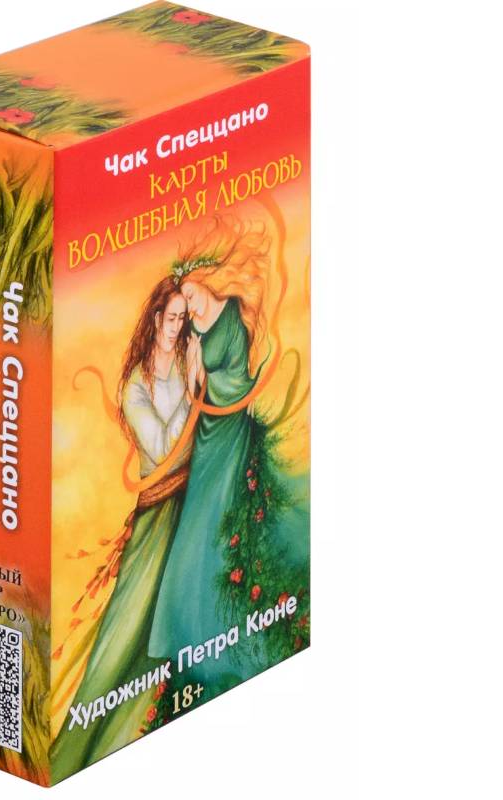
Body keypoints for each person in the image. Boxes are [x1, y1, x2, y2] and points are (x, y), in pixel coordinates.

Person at [148, 220, 310, 699]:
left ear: (206, 280)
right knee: (198, 517)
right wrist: (193, 375)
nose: (190, 306)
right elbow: (194, 391)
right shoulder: (194, 329)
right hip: (208, 434)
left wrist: (206, 376)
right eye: (183, 302)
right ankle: (184, 631)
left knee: (222, 512)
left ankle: (227, 627)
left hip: (232, 429)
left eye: (191, 294)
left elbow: (236, 383)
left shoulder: (233, 314)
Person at [50, 277, 194, 780]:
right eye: (171, 318)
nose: (177, 327)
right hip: (157, 513)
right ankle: (83, 744)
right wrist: (193, 392)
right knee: (127, 629)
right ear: (155, 319)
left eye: (183, 319)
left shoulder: (186, 360)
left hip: (191, 497)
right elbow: (164, 449)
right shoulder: (136, 386)